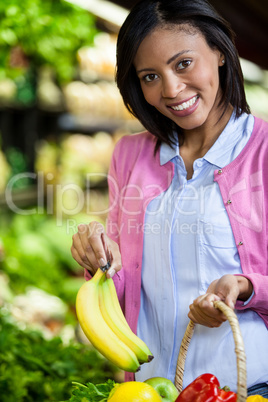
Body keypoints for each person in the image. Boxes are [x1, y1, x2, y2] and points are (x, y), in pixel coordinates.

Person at [71, 0, 268, 396]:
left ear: (220, 53)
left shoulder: (262, 152)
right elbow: (125, 281)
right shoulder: (129, 155)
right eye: (149, 77)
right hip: (150, 387)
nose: (171, 90)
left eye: (183, 64)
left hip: (249, 386)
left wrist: (247, 288)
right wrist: (99, 258)